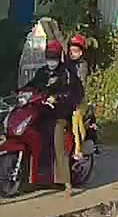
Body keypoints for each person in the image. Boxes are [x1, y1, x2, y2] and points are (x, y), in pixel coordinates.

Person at [20, 40, 83, 196]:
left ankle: (66, 182)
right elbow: (32, 85)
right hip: (41, 112)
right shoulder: (42, 72)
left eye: (54, 56)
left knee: (57, 142)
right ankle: (31, 178)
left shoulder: (66, 73)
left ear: (59, 56)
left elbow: (74, 93)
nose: (51, 60)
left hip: (59, 114)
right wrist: (20, 91)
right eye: (49, 56)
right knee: (29, 135)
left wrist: (58, 97)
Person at [67, 34, 91, 160]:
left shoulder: (82, 66)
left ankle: (78, 149)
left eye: (75, 51)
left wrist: (75, 99)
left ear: (81, 52)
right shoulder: (66, 63)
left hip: (79, 100)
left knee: (76, 118)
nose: (73, 53)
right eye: (71, 51)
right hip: (66, 99)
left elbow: (81, 85)